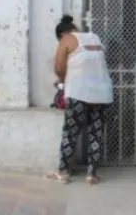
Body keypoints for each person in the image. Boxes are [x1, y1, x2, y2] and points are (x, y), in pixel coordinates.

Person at [47, 15, 114, 185]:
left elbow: (59, 68)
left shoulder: (66, 39)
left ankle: (63, 172)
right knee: (96, 133)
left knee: (70, 132)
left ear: (62, 34)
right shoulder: (94, 37)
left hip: (79, 92)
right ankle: (91, 175)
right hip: (102, 93)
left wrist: (61, 80)